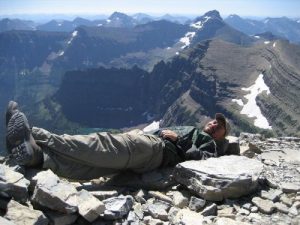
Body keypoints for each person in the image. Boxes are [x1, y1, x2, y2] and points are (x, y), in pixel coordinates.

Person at [5, 101, 230, 180]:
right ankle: (39, 158)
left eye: (219, 127)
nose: (213, 125)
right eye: (213, 121)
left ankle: (35, 134)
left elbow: (205, 160)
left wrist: (178, 140)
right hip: (150, 151)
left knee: (102, 144)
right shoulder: (197, 131)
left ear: (222, 136)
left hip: (157, 149)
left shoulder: (208, 143)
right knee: (95, 167)